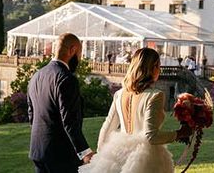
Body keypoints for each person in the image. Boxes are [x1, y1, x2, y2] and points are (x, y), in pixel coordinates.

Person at [80, 48, 192, 173]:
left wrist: (102, 154)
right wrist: (179, 133)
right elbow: (151, 136)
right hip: (146, 159)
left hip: (118, 154)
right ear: (152, 68)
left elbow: (108, 126)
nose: (159, 70)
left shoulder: (119, 94)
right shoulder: (155, 96)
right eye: (158, 66)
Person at [27, 33, 93, 173]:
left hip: (38, 151)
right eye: (80, 53)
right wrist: (85, 152)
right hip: (60, 155)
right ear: (72, 50)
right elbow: (69, 121)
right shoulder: (67, 79)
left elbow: (31, 115)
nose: (80, 58)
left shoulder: (36, 76)